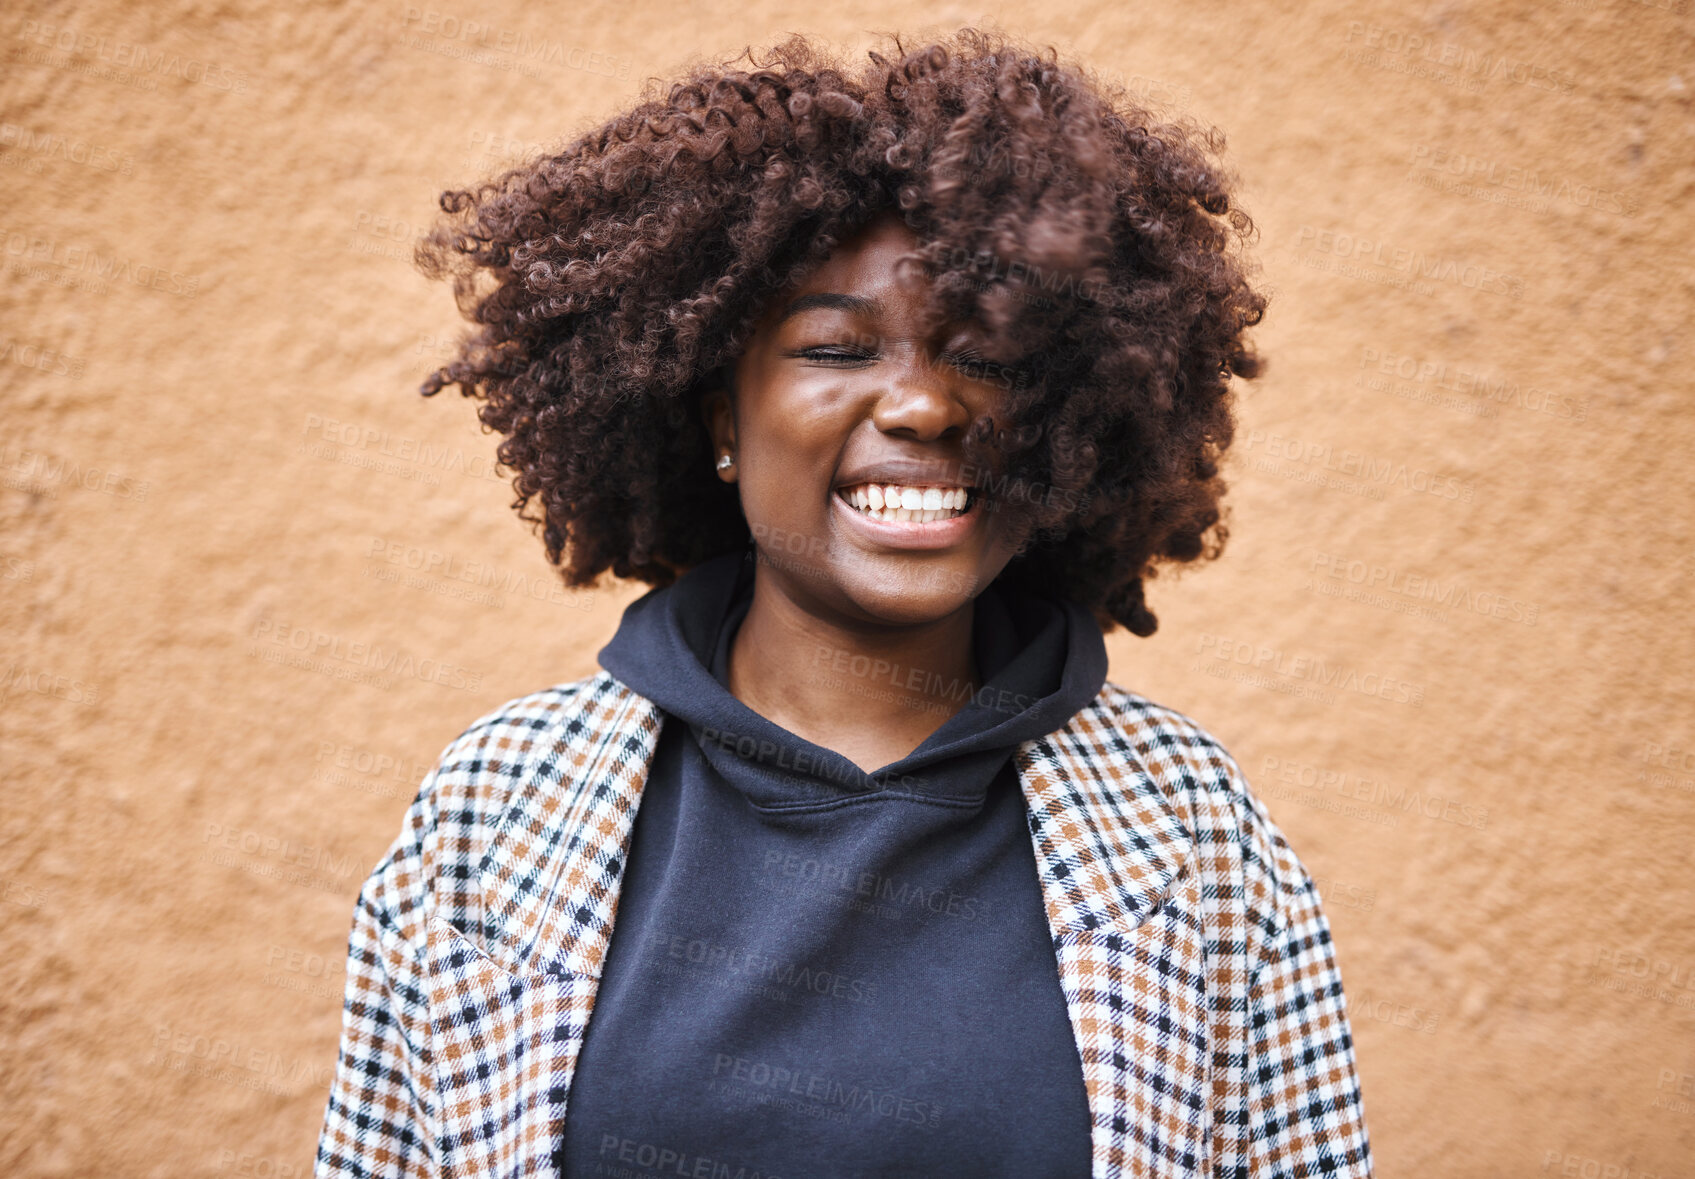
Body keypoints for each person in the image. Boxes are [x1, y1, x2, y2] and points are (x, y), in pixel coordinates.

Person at [316, 27, 1373, 1179]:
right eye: (836, 347)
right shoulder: (494, 811)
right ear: (723, 418)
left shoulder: (1194, 830)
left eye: (993, 359)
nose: (923, 404)